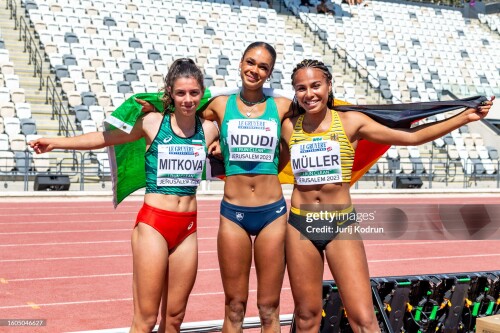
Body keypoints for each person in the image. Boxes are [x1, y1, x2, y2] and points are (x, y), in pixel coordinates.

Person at [280, 59, 493, 333]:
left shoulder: (351, 122)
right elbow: (266, 161)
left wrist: (464, 117)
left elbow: (412, 137)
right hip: (301, 225)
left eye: (316, 85)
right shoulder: (289, 127)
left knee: (363, 319)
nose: (309, 94)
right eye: (301, 88)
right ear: (294, 92)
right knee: (307, 318)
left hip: (339, 224)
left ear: (329, 86)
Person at [29, 58, 220, 333]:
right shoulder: (152, 122)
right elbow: (103, 138)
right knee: (145, 319)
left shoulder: (210, 127)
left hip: (188, 228)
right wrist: (56, 142)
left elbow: (236, 102)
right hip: (155, 225)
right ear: (169, 93)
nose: (187, 99)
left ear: (202, 94)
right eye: (180, 93)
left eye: (194, 93)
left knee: (175, 318)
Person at [139, 42, 293, 332]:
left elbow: (305, 125)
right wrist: (158, 106)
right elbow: (185, 110)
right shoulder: (220, 105)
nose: (255, 70)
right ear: (240, 63)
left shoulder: (282, 106)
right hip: (233, 212)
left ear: (270, 72)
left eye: (263, 66)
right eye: (250, 62)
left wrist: (275, 163)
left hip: (272, 212)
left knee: (269, 308)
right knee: (234, 306)